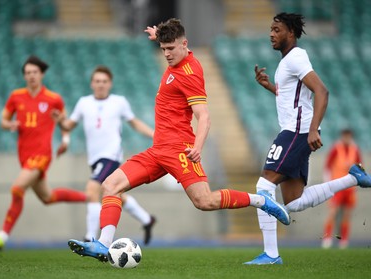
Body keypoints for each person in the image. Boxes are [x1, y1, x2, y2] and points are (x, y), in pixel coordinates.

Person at [66, 18, 291, 263]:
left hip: (179, 150)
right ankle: (102, 244)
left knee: (204, 201)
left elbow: (204, 116)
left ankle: (260, 200)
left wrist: (197, 147)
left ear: (184, 44)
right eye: (163, 49)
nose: (166, 54)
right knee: (110, 185)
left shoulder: (190, 72)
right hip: (158, 150)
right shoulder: (175, 57)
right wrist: (159, 35)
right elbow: (168, 41)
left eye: (171, 48)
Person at [245, 13, 371, 265]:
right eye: (270, 28)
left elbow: (321, 91)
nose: (271, 33)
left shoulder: (297, 57)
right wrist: (270, 86)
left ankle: (271, 255)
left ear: (290, 33)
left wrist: (312, 130)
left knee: (264, 186)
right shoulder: (287, 62)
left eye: (277, 29)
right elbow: (293, 97)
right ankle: (352, 177)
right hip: (298, 130)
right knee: (294, 202)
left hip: (296, 132)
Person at [0, 56, 88, 250]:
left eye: (34, 72)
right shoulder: (16, 96)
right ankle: (89, 197)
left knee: (17, 188)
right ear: (24, 75)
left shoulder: (53, 99)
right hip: (24, 155)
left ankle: (2, 236)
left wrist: (65, 141)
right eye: (28, 73)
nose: (31, 76)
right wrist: (10, 124)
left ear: (41, 74)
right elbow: (3, 121)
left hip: (42, 154)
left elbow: (64, 123)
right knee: (48, 197)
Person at [52, 65, 156, 245]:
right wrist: (60, 120)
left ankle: (90, 237)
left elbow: (135, 123)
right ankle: (147, 219)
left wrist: (155, 135)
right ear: (92, 84)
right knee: (114, 193)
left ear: (110, 84)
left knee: (92, 189)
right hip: (94, 158)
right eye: (97, 81)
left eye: (104, 81)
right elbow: (68, 126)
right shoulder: (84, 102)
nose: (101, 84)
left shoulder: (119, 102)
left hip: (111, 155)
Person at [322, 129, 362, 249]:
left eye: (348, 136)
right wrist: (328, 183)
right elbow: (328, 166)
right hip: (337, 186)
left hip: (350, 188)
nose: (346, 138)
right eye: (345, 136)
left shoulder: (355, 149)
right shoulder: (336, 148)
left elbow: (360, 167)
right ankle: (327, 238)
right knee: (333, 213)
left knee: (346, 214)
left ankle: (344, 240)